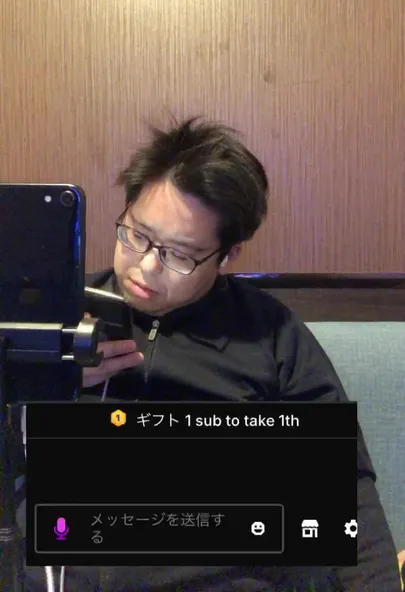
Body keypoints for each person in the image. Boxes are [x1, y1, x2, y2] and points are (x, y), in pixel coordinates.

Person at [26, 116, 401, 591]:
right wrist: (40, 382)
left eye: (180, 255)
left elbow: (345, 495)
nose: (146, 266)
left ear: (227, 256)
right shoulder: (55, 316)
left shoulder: (272, 337)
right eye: (137, 235)